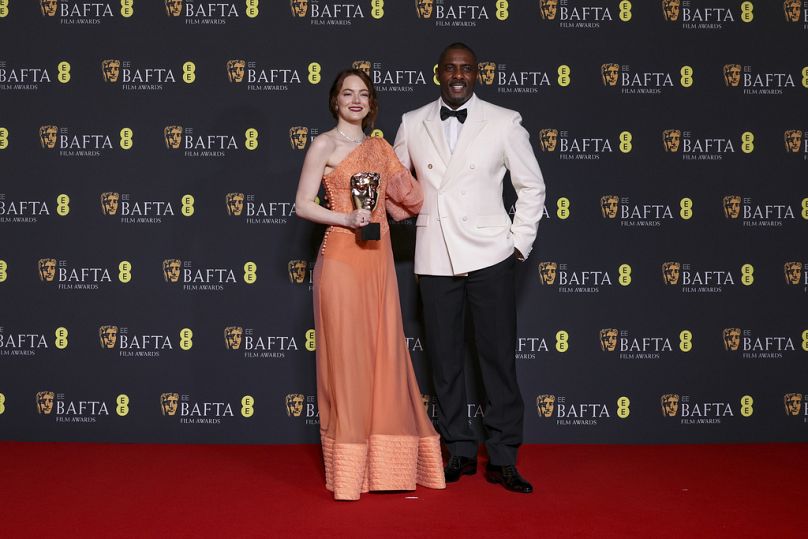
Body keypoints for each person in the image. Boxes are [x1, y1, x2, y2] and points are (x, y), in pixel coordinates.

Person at [393, 42, 546, 494]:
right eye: (451, 68)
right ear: (438, 72)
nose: (458, 75)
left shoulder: (503, 121)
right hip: (435, 255)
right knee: (443, 361)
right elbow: (397, 186)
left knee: (497, 359)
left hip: (489, 255)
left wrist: (518, 244)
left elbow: (532, 186)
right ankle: (458, 447)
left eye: (467, 68)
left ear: (478, 74)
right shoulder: (411, 122)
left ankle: (502, 457)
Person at [294, 68, 445, 501]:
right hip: (341, 256)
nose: (355, 101)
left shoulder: (378, 148)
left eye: (363, 94)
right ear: (335, 100)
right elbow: (302, 204)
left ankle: (386, 468)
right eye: (347, 93)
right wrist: (345, 217)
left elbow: (409, 202)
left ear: (371, 103)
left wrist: (407, 167)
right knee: (347, 359)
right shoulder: (323, 144)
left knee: (384, 354)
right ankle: (349, 473)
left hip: (377, 259)